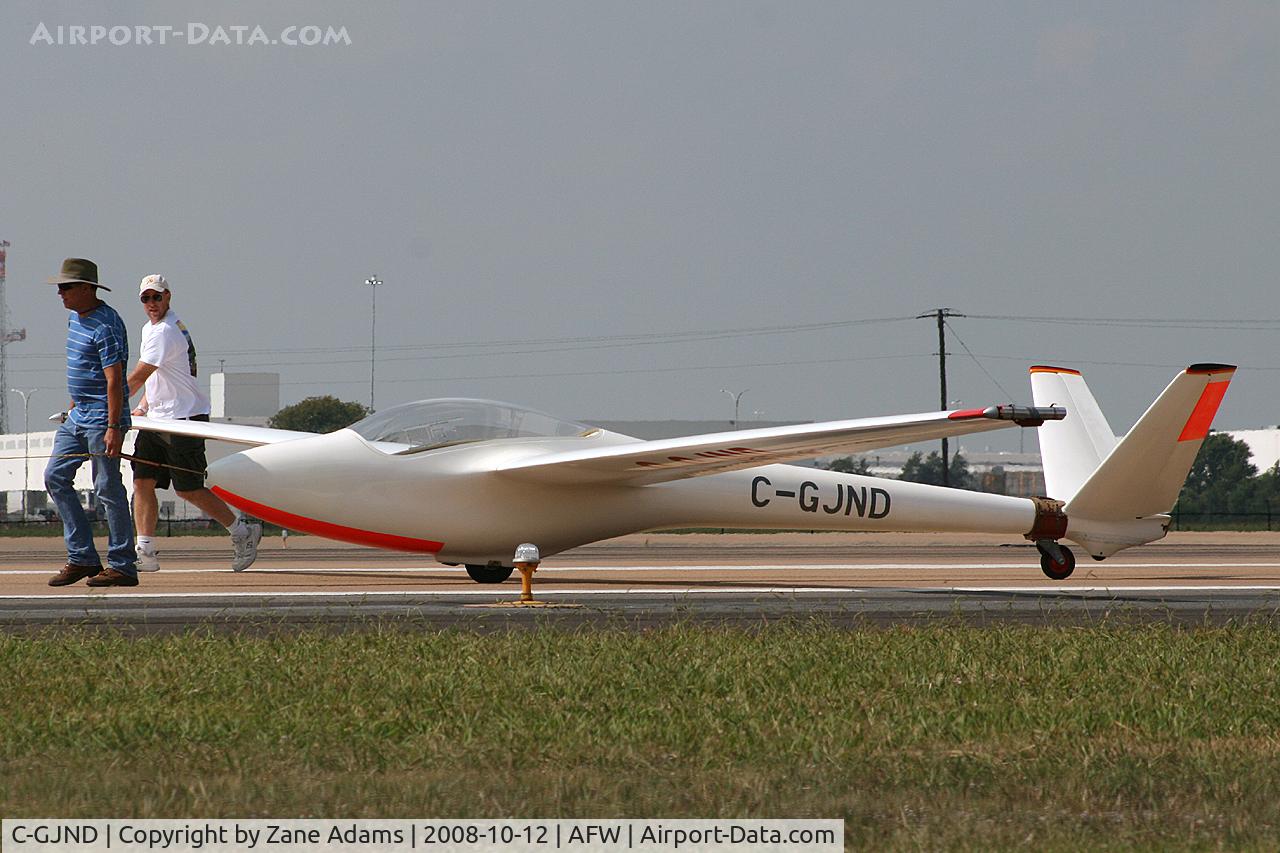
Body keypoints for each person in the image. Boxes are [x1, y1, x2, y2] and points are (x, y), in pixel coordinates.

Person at [126, 274, 262, 572]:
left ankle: (242, 532)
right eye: (145, 298)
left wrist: (108, 405)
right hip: (157, 419)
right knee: (141, 481)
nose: (151, 303)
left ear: (168, 297)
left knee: (187, 489)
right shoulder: (152, 329)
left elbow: (137, 376)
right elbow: (157, 376)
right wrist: (144, 405)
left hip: (183, 419)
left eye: (156, 297)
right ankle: (145, 550)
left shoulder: (165, 332)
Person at [43, 258, 138, 587]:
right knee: (55, 476)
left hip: (102, 416)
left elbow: (115, 380)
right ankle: (82, 556)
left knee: (107, 488)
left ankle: (123, 564)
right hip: (79, 413)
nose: (60, 293)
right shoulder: (74, 319)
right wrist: (71, 408)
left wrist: (113, 427)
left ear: (87, 289)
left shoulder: (106, 324)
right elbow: (82, 370)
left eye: (66, 287)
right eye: (59, 287)